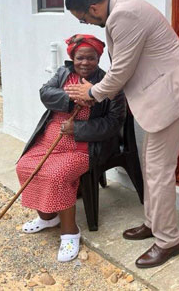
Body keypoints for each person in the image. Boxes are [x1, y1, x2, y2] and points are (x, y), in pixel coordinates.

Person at [64, 0, 179, 268]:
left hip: (174, 95)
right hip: (163, 95)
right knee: (150, 164)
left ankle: (168, 240)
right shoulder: (120, 9)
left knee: (158, 170)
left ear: (93, 7)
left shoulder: (123, 15)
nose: (87, 23)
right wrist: (95, 93)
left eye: (84, 17)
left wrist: (92, 92)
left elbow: (121, 70)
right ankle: (154, 223)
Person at [16, 34, 126, 262]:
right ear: (72, 58)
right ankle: (48, 216)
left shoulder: (108, 84)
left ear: (98, 58)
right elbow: (45, 93)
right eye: (80, 58)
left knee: (57, 174)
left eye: (91, 58)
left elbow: (114, 123)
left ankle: (70, 233)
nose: (85, 63)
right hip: (52, 136)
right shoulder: (62, 74)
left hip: (84, 144)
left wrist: (78, 128)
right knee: (26, 166)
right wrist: (73, 97)